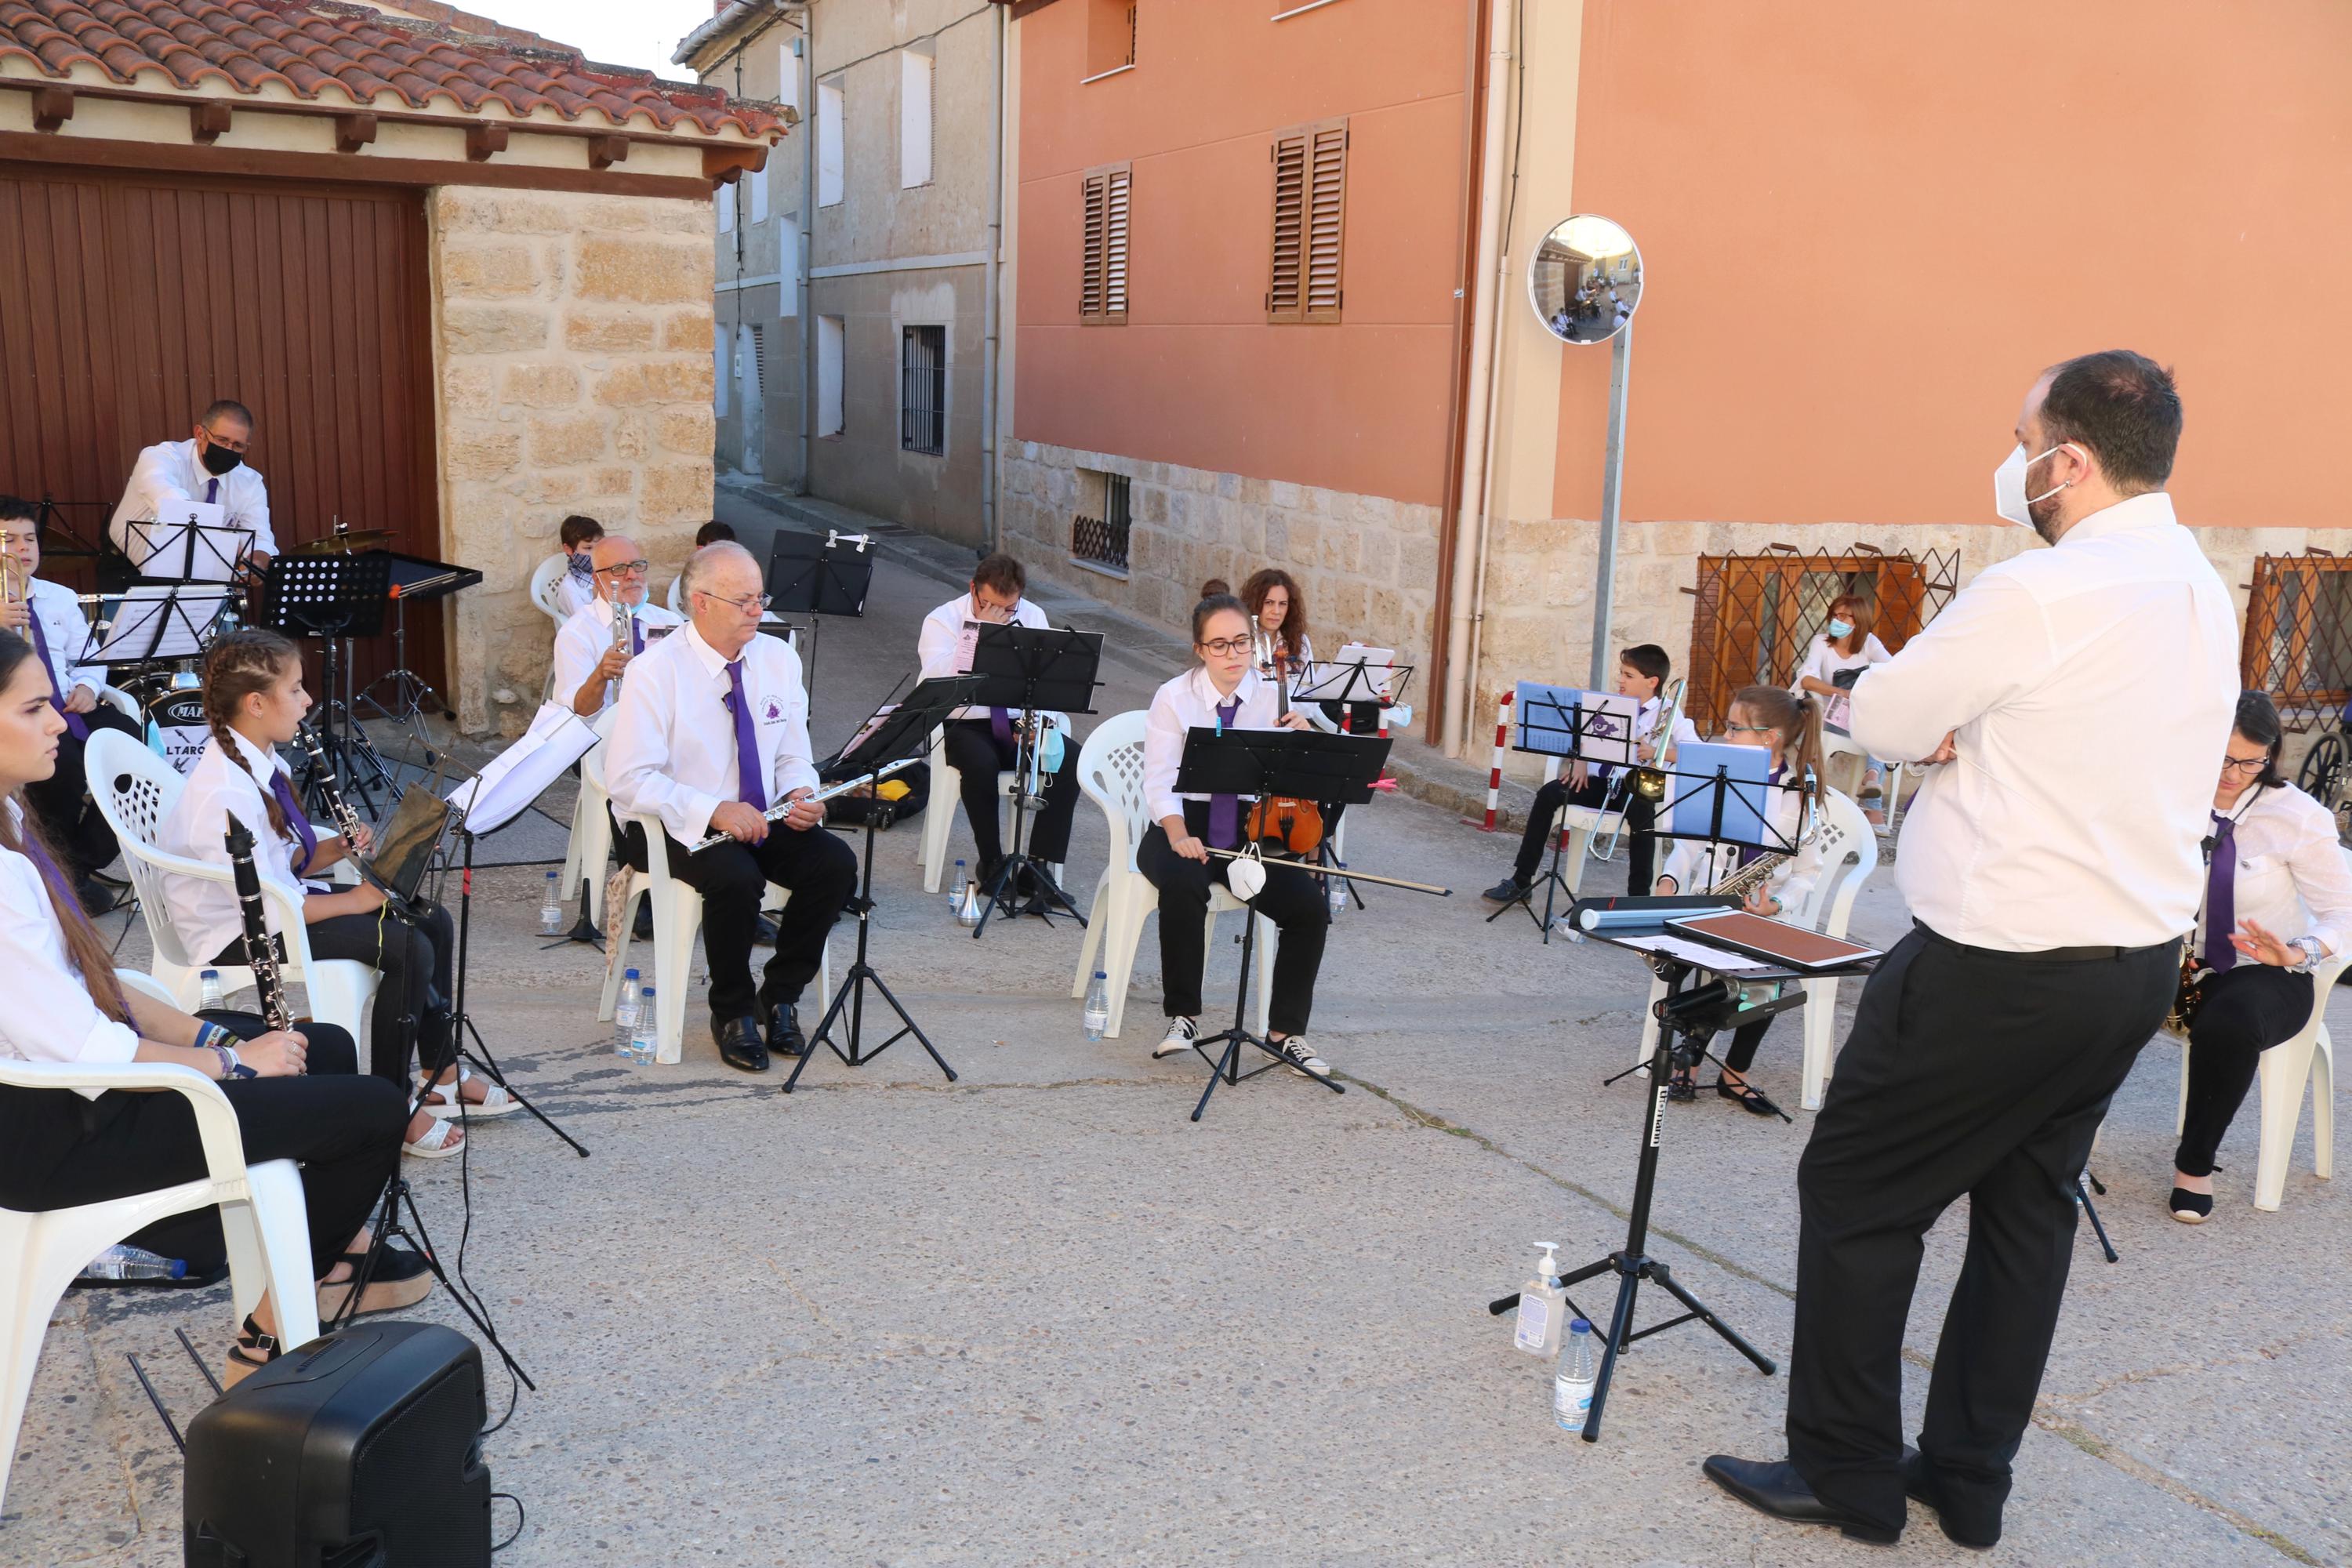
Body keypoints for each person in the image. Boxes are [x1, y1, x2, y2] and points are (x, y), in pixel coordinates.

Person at [1702, 351, 2238, 1548]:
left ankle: (1846, 1475)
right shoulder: (2203, 585)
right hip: (2130, 966)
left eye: (2022, 438)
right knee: (2026, 1214)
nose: (2012, 463)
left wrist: (1944, 723)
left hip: (2000, 964)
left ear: (2073, 462)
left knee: (1854, 1192)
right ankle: (1967, 1479)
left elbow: (1883, 716)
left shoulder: (2039, 591)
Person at [0, 630, 428, 1387]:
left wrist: (204, 1032)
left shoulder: (11, 821)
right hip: (60, 1132)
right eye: (35, 708)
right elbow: (84, 1050)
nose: (62, 722)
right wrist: (229, 1062)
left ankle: (317, 1251)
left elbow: (93, 980)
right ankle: (267, 1333)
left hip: (80, 1088)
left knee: (321, 1045)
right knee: (371, 1112)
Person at [159, 630, 513, 1160]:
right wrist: (355, 900)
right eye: (297, 690)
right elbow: (262, 903)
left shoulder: (262, 760)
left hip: (275, 903)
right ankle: (396, 1108)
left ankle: (439, 1074)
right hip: (237, 934)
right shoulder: (226, 792)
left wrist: (333, 852)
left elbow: (279, 863)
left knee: (431, 919)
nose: (308, 701)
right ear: (256, 704)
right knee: (408, 947)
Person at [607, 543, 858, 1072]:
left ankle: (781, 995)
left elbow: (792, 752)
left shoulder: (777, 658)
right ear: (700, 602)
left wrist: (800, 792)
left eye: (759, 597)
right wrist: (713, 809)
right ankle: (732, 1011)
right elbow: (630, 780)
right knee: (735, 877)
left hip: (760, 814)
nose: (757, 611)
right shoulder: (655, 671)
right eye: (743, 600)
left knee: (834, 864)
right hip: (669, 821)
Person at [2169, 691, 2352, 1221]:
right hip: (2175, 956)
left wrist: (2295, 950)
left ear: (2271, 755)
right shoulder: (2171, 795)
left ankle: (2194, 1166)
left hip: (2266, 970)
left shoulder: (2298, 816)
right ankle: (2055, 1149)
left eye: (2252, 761)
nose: (2234, 773)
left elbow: (2342, 915)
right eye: (2224, 758)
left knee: (2232, 1021)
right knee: (2090, 986)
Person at [1135, 590, 1328, 1075]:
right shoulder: (1173, 697)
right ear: (1200, 650)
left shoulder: (1270, 695)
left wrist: (1304, 744)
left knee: (1309, 907)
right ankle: (1183, 1016)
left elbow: (1292, 788)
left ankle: (1285, 1033)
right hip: (1182, 823)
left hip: (1247, 831)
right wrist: (1178, 834)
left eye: (1241, 642)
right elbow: (1158, 782)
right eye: (1219, 645)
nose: (1233, 655)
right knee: (1182, 885)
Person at [1650, 685, 1828, 1113]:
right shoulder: (1719, 776)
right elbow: (1688, 844)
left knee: (1770, 977)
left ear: (1768, 737)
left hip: (1764, 914)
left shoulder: (1797, 793)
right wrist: (1670, 879)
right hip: (1711, 902)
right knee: (1710, 965)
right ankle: (1687, 1064)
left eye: (1734, 729)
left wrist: (1778, 906)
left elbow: (1807, 872)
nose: (1725, 737)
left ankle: (1734, 1072)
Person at [0, 497, 143, 910]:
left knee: (130, 745)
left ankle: (79, 863)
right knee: (60, 768)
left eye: (30, 539)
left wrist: (87, 686)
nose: (22, 549)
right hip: (21, 713)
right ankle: (57, 870)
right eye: (9, 540)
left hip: (70, 705)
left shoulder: (60, 597)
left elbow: (89, 658)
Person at [913, 553, 1080, 891]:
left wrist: (1038, 724)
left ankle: (1039, 867)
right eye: (989, 604)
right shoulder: (942, 621)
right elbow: (935, 683)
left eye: (1008, 608)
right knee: (981, 763)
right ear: (973, 589)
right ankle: (992, 862)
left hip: (1021, 722)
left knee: (1071, 759)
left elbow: (1049, 684)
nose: (1001, 614)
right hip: (965, 723)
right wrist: (978, 634)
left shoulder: (1032, 616)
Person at [1483, 644, 1693, 905]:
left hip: (1635, 787)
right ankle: (1522, 881)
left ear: (1652, 681)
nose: (1620, 680)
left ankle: (1638, 897)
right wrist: (1579, 760)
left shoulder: (1670, 713)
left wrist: (1653, 751)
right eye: (1621, 673)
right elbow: (1584, 737)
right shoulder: (1608, 704)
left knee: (1643, 812)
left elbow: (1696, 752)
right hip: (1600, 783)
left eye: (1628, 676)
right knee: (1549, 794)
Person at [107, 398, 278, 576]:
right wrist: (212, 525)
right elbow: (168, 498)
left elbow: (260, 537)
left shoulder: (249, 482)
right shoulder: (160, 457)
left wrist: (257, 563)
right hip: (127, 570)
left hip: (202, 573)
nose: (229, 449)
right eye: (222, 440)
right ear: (200, 434)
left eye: (238, 445)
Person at [552, 535, 684, 720]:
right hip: (608, 740)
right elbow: (578, 713)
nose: (632, 575)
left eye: (637, 565)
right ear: (597, 580)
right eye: (619, 569)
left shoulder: (671, 621)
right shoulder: (576, 634)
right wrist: (599, 676)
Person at [1791, 593, 1893, 820]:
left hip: (1862, 719)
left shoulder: (1869, 643)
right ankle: (1873, 802)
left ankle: (1872, 776)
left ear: (1859, 620)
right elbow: (1807, 680)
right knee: (1881, 727)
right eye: (1835, 615)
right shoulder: (1822, 642)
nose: (1837, 620)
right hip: (1830, 717)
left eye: (1844, 616)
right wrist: (1844, 693)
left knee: (1885, 722)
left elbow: (1893, 672)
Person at [553, 514, 604, 619]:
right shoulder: (569, 588)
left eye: (599, 547)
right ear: (568, 549)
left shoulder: (605, 575)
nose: (595, 553)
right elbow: (586, 623)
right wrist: (597, 597)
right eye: (588, 548)